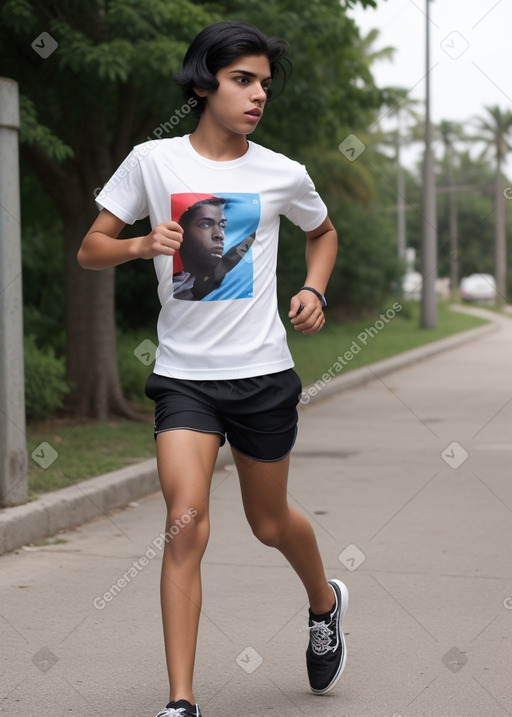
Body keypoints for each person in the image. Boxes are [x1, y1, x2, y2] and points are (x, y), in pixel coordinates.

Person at [78, 20, 348, 717]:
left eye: (263, 82)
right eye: (242, 80)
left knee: (268, 523)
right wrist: (141, 244)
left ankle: (324, 601)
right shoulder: (152, 160)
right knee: (185, 518)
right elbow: (90, 249)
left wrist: (314, 288)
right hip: (184, 378)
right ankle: (181, 701)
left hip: (261, 375)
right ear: (204, 84)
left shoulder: (281, 172)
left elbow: (322, 232)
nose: (258, 94)